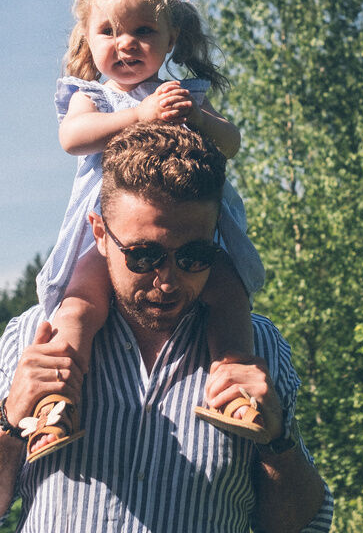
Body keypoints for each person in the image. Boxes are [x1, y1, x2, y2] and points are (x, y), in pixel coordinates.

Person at [0, 122, 333, 532]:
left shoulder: (258, 345)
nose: (168, 280)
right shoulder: (33, 337)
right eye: (143, 256)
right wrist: (10, 423)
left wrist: (279, 442)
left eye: (194, 255)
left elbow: (301, 526)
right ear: (100, 234)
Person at [22, 0, 266, 461]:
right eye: (108, 31)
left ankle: (234, 386)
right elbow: (73, 139)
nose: (125, 43)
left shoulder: (182, 95)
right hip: (106, 238)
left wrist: (195, 116)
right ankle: (56, 402)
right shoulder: (90, 96)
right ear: (87, 40)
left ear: (172, 39)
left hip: (191, 233)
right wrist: (138, 115)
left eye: (143, 31)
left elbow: (232, 141)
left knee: (229, 294)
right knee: (79, 306)